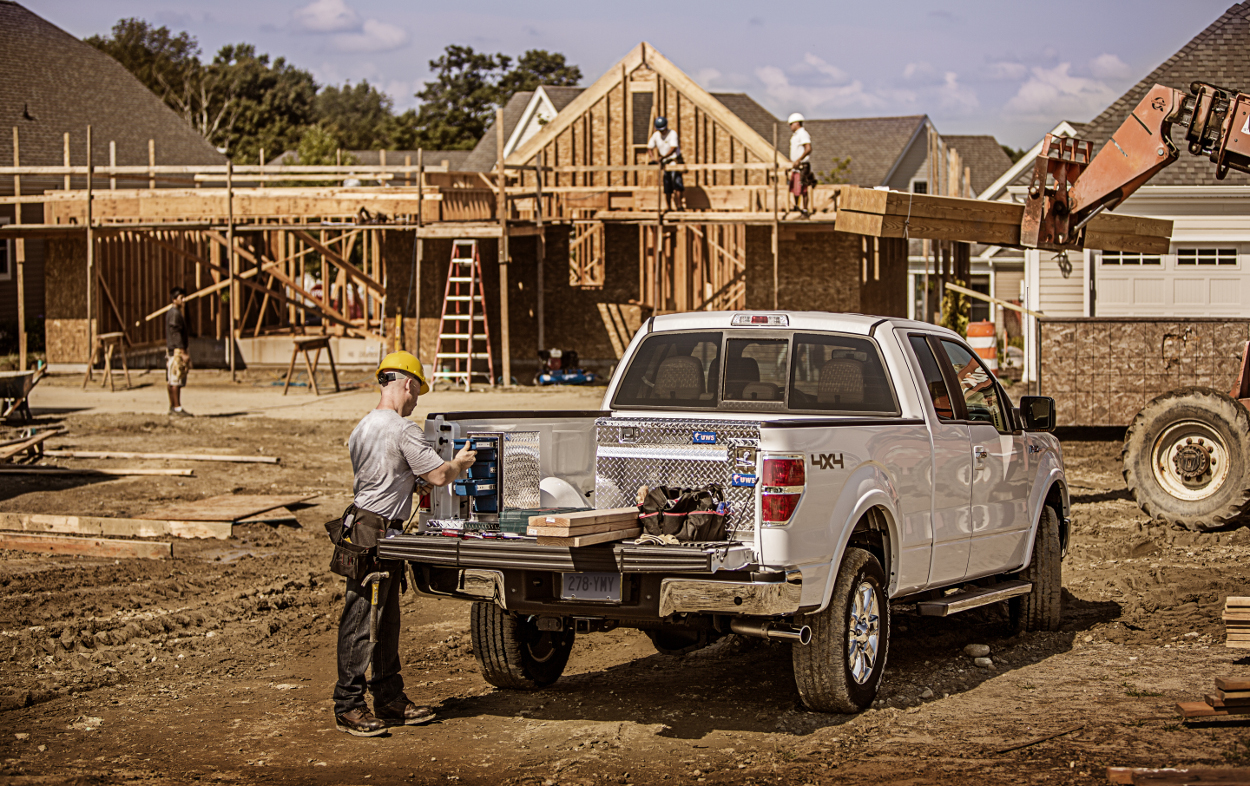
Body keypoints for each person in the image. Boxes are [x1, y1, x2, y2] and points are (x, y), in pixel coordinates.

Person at [332, 351, 477, 737]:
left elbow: (384, 476)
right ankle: (348, 704)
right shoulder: (402, 429)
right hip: (375, 534)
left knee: (384, 618)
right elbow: (440, 474)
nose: (415, 401)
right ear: (408, 384)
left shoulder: (362, 428)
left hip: (365, 526)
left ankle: (389, 696)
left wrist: (411, 482)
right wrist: (460, 463)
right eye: (417, 393)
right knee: (363, 619)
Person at [647, 116, 685, 211]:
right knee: (667, 186)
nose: (662, 132)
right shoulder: (656, 135)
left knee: (677, 184)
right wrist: (654, 159)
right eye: (660, 130)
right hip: (665, 164)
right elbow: (649, 147)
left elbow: (673, 148)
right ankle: (669, 207)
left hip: (674, 162)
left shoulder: (672, 134)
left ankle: (679, 206)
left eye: (663, 130)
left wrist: (663, 157)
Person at [165, 287, 191, 417]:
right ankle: (177, 407)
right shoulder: (175, 314)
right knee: (176, 379)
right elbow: (176, 334)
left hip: (173, 349)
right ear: (174, 299)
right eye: (181, 297)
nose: (184, 300)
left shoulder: (174, 313)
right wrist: (182, 352)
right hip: (176, 351)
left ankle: (173, 406)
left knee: (172, 380)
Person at [788, 113, 814, 217]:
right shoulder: (795, 135)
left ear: (796, 123)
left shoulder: (803, 133)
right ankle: (796, 207)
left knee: (802, 186)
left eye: (791, 124)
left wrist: (799, 160)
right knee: (795, 187)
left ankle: (804, 209)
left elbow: (808, 148)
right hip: (796, 165)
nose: (790, 127)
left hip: (802, 165)